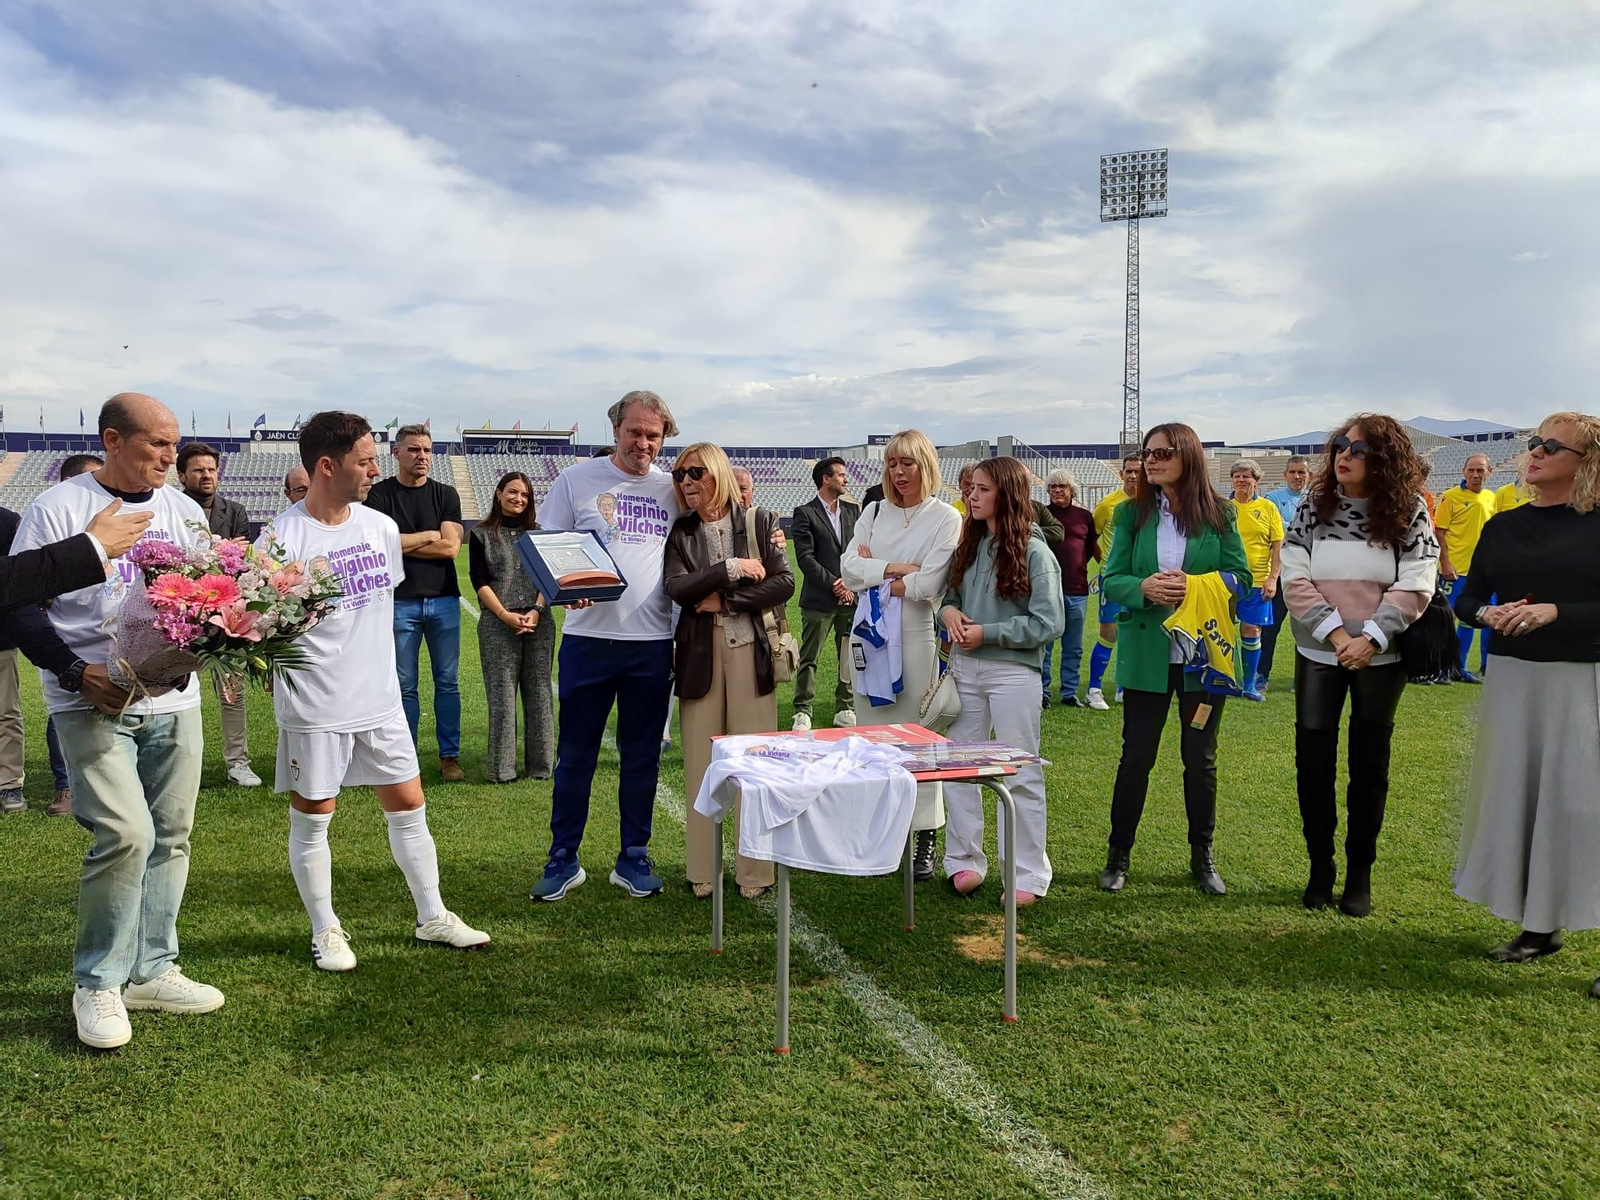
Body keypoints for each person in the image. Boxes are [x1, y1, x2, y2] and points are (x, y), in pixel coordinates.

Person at [14, 392, 223, 1049]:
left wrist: (210, 647)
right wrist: (76, 672)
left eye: (174, 443)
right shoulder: (59, 507)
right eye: (156, 443)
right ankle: (98, 982)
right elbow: (17, 605)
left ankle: (152, 969)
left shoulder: (185, 511)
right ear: (112, 440)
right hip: (91, 697)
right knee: (126, 835)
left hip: (174, 700)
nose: (169, 455)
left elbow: (209, 598)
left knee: (171, 835)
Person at [267, 411, 489, 973]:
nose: (374, 471)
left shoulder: (379, 527)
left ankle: (432, 914)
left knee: (410, 803)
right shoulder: (280, 538)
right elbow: (268, 627)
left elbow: (377, 605)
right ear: (326, 465)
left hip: (380, 698)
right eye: (364, 461)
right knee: (315, 815)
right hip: (315, 703)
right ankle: (325, 928)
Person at [1452, 413, 1600, 995]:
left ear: (1587, 462)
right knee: (1529, 800)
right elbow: (1466, 599)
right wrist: (1487, 613)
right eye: (1535, 442)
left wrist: (1555, 612)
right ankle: (1540, 927)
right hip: (1514, 679)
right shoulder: (1504, 526)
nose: (1535, 452)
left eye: (1552, 446)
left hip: (1585, 678)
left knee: (1586, 809)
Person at [1281, 416, 1438, 916]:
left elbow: (1418, 580)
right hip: (1318, 653)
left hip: (1381, 656)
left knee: (1369, 767)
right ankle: (1320, 868)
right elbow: (1294, 576)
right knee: (1314, 764)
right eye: (1339, 445)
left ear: (1385, 459)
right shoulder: (1312, 506)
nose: (1344, 455)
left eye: (1359, 449)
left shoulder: (1409, 510)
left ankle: (1359, 873)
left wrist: (1370, 638)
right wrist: (1336, 634)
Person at [530, 390, 682, 901]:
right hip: (588, 640)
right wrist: (562, 588)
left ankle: (633, 856)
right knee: (575, 757)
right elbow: (548, 546)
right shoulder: (577, 480)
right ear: (615, 428)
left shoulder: (672, 487)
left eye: (653, 435)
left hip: (652, 643)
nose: (643, 443)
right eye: (635, 431)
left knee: (642, 758)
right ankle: (563, 858)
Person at [1098, 423, 1250, 896]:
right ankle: (1118, 855)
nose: (1152, 460)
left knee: (1200, 760)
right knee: (1135, 758)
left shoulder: (1221, 513)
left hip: (1202, 655)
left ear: (1188, 456)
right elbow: (1111, 579)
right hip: (1147, 655)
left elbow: (1242, 576)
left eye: (1163, 452)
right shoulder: (1130, 513)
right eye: (1148, 453)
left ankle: (1203, 857)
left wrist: (1197, 586)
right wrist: (1142, 588)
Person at [664, 443, 794, 900]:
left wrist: (727, 600)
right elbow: (677, 587)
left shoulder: (759, 521)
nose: (686, 482)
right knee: (701, 767)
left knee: (755, 767)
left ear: (717, 473)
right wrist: (730, 569)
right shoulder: (682, 531)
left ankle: (755, 872)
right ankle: (702, 869)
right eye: (680, 475)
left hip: (751, 652)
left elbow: (784, 582)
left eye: (695, 472)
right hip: (699, 655)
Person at [939, 457, 1064, 905]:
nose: (971, 496)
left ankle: (1028, 874)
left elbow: (1049, 622)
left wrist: (987, 633)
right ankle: (963, 861)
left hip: (1013, 674)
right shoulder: (969, 545)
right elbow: (949, 598)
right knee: (959, 769)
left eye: (982, 489)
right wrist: (948, 613)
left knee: (1020, 772)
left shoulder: (1035, 552)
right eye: (971, 488)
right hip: (964, 671)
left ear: (1006, 495)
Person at [842, 429, 962, 881]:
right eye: (892, 463)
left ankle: (924, 834)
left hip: (914, 637)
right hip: (867, 636)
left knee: (917, 740)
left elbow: (930, 584)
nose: (898, 472)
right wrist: (896, 570)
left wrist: (875, 575)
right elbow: (848, 570)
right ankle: (877, 835)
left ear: (925, 466)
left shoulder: (945, 517)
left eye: (907, 463)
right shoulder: (873, 511)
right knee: (872, 738)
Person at [363, 425, 466, 781]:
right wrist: (428, 535)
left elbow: (450, 548)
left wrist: (401, 542)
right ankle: (404, 757)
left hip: (444, 600)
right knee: (404, 685)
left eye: (426, 450)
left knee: (447, 681)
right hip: (399, 601)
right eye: (413, 450)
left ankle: (449, 756)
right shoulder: (378, 496)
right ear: (396, 453)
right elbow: (378, 545)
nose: (422, 456)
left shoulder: (445, 494)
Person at [178, 441, 259, 787]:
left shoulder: (235, 511)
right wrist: (222, 549)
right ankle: (179, 765)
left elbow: (240, 561)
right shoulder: (172, 510)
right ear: (182, 475)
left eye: (211, 469)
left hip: (225, 615)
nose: (207, 475)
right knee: (177, 693)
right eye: (198, 469)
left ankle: (238, 762)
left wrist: (210, 554)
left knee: (232, 693)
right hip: (181, 616)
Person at [469, 472, 554, 783]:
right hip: (497, 624)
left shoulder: (539, 534)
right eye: (513, 492)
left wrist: (536, 610)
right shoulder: (480, 535)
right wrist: (504, 614)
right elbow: (480, 580)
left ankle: (541, 767)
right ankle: (502, 770)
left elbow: (548, 578)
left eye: (525, 495)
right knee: (502, 696)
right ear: (499, 493)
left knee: (540, 693)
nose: (519, 499)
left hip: (538, 622)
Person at [39, 453, 105, 817]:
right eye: (92, 481)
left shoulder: (113, 521)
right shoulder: (52, 520)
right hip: (68, 648)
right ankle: (65, 785)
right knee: (63, 713)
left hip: (114, 648)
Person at [790, 456, 859, 731]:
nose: (846, 479)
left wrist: (850, 584)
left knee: (848, 657)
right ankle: (802, 710)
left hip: (850, 599)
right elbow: (805, 558)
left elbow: (859, 552)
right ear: (825, 479)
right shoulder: (805, 513)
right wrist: (834, 584)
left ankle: (845, 707)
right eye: (840, 475)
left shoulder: (854, 511)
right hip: (819, 600)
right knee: (810, 657)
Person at [1087, 455, 1143, 709]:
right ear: (1121, 474)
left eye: (1137, 471)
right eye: (1128, 471)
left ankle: (1123, 687)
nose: (1133, 476)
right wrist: (1104, 563)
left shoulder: (1152, 504)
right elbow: (1092, 537)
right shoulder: (1107, 505)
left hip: (1141, 580)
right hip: (1114, 579)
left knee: (1134, 633)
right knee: (1108, 632)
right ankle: (1094, 689)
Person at [1434, 452, 1496, 683]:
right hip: (1455, 570)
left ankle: (1458, 668)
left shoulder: (1491, 497)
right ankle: (1438, 668)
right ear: (1464, 472)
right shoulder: (1451, 497)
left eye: (1480, 470)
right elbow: (1439, 532)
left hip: (1480, 572)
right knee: (1447, 619)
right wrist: (1445, 562)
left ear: (1489, 472)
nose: (1475, 475)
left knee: (1470, 620)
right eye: (1471, 470)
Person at [1228, 459, 1285, 702]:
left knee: (1251, 629)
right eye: (1237, 476)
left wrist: (1273, 578)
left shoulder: (1268, 508)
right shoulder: (1222, 508)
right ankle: (1226, 680)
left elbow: (1278, 545)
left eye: (1246, 476)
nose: (1241, 480)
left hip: (1258, 580)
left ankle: (1250, 685)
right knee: (1222, 631)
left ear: (1256, 481)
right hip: (1226, 580)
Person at [1040, 469, 1096, 707]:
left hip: (1076, 589)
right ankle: (1042, 691)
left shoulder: (1085, 517)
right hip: (1046, 590)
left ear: (1072, 490)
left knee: (1073, 646)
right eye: (1053, 487)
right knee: (1045, 644)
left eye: (1062, 486)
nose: (1057, 490)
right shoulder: (1041, 515)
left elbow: (1089, 549)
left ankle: (1069, 692)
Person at [1257, 455, 1311, 690]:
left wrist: (1287, 527)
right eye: (1293, 472)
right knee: (1269, 630)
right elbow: (1275, 531)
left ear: (1309, 475)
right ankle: (1261, 675)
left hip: (1308, 577)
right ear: (1285, 474)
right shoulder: (1272, 499)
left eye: (1302, 472)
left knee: (1307, 632)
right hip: (1279, 576)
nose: (1297, 476)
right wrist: (1303, 528)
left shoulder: (1317, 499)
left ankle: (1304, 680)